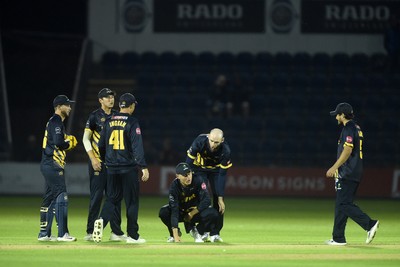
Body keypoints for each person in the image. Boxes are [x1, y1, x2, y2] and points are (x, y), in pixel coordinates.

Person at [93, 93, 149, 244]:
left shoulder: (108, 120)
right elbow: (137, 146)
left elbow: (100, 145)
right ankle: (133, 236)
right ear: (131, 106)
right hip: (128, 168)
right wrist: (143, 166)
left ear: (120, 105)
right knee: (131, 202)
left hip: (111, 168)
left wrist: (106, 160)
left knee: (112, 198)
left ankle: (101, 220)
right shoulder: (132, 121)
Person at [325, 102, 379, 246]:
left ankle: (370, 224)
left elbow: (348, 150)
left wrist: (334, 167)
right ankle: (338, 238)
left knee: (344, 204)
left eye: (337, 114)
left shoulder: (348, 128)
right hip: (353, 171)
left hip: (348, 171)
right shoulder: (356, 127)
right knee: (341, 204)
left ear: (343, 115)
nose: (336, 117)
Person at [82, 88, 125, 242]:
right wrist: (93, 159)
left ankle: (116, 232)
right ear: (100, 100)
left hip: (114, 164)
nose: (111, 99)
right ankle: (90, 231)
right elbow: (85, 139)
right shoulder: (94, 116)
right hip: (98, 163)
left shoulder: (117, 115)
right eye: (107, 97)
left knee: (114, 197)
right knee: (97, 196)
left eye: (112, 96)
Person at [37, 95, 78, 242]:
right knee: (62, 195)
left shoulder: (54, 122)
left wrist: (65, 141)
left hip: (47, 164)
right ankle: (62, 234)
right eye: (67, 105)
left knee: (49, 198)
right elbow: (59, 143)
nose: (70, 108)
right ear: (59, 106)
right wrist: (70, 143)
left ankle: (44, 234)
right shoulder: (56, 121)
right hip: (53, 164)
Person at [185, 128, 232, 242]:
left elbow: (222, 175)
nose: (212, 144)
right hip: (200, 170)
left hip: (216, 172)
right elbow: (188, 164)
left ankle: (215, 233)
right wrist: (187, 180)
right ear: (208, 137)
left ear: (222, 140)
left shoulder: (226, 150)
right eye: (211, 140)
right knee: (202, 197)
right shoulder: (199, 141)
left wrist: (220, 198)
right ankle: (203, 230)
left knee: (219, 202)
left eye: (216, 142)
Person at [159, 162, 219, 243]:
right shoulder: (174, 187)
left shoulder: (198, 180)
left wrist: (192, 213)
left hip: (195, 212)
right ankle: (173, 235)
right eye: (185, 175)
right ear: (177, 176)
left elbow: (207, 200)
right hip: (181, 213)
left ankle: (198, 231)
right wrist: (176, 237)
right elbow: (174, 210)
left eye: (189, 173)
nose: (188, 177)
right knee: (164, 212)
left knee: (213, 213)